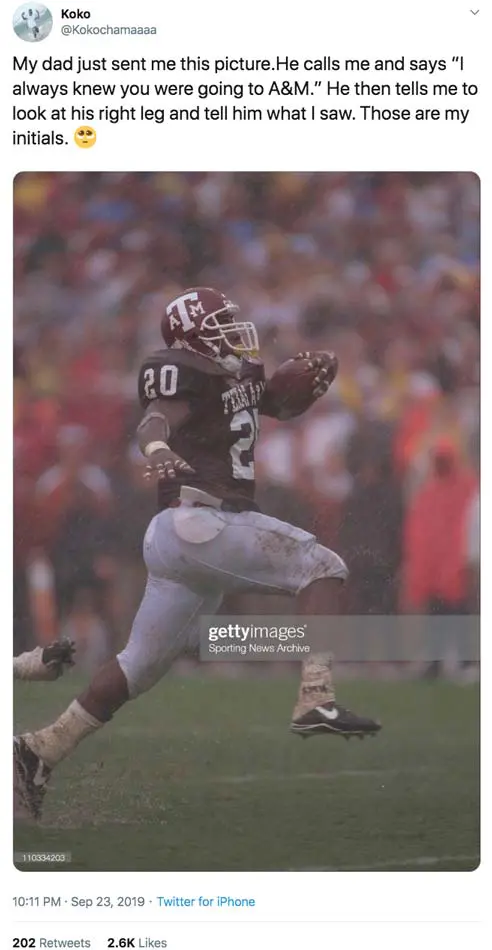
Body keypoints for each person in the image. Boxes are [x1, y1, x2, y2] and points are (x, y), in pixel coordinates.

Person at [14, 287, 380, 819]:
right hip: (199, 520)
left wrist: (298, 389)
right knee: (324, 567)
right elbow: (155, 419)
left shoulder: (240, 374)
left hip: (188, 541)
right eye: (221, 327)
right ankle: (315, 698)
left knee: (136, 668)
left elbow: (272, 405)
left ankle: (37, 750)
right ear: (191, 338)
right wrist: (158, 449)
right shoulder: (181, 370)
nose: (235, 334)